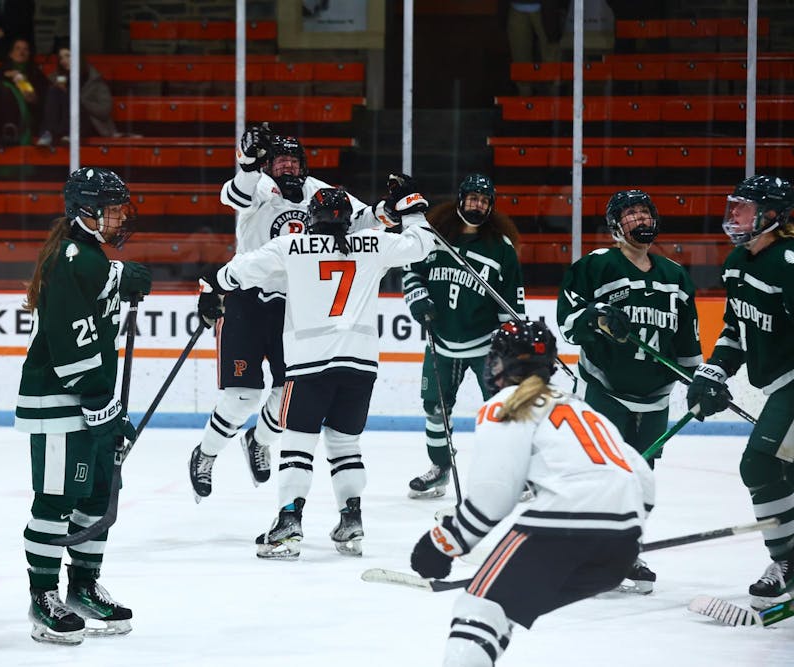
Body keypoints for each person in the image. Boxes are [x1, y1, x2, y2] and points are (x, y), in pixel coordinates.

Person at [198, 183, 437, 558]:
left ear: (313, 219)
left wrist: (212, 286)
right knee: (345, 444)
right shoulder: (373, 243)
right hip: (360, 364)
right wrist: (414, 209)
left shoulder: (293, 246)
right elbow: (422, 245)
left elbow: (242, 269)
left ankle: (289, 522)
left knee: (297, 442)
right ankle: (351, 519)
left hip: (309, 364)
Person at [409, 319, 655, 667]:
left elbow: (494, 495)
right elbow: (643, 483)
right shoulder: (582, 408)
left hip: (560, 529)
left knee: (480, 609)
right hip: (622, 544)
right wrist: (618, 533)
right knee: (502, 608)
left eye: (494, 357)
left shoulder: (508, 403)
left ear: (505, 363)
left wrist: (444, 542)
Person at [187, 123, 387, 503]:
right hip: (246, 300)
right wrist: (246, 162)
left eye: (294, 161)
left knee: (287, 393)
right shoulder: (259, 187)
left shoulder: (319, 193)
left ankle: (258, 441)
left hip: (296, 307)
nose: (288, 168)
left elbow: (361, 221)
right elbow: (234, 195)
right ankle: (206, 454)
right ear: (268, 165)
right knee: (242, 397)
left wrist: (387, 208)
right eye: (280, 162)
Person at [14, 167, 152, 645]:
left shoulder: (89, 255)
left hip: (93, 397)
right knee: (56, 500)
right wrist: (98, 399)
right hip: (59, 399)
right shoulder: (70, 257)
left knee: (97, 495)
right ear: (85, 209)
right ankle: (43, 596)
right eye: (112, 209)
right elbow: (70, 337)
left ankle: (83, 588)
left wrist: (110, 404)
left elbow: (104, 280)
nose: (119, 218)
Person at [555, 189, 701, 593]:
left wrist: (702, 382)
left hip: (656, 395)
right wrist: (599, 317)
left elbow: (687, 343)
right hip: (605, 387)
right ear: (616, 226)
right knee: (603, 472)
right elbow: (568, 323)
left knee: (640, 476)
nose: (640, 218)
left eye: (644, 212)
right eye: (631, 213)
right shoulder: (595, 266)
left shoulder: (675, 275)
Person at [686, 175, 794, 611]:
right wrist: (714, 371)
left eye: (743, 208)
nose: (734, 215)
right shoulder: (736, 262)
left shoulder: (788, 263)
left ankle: (785, 562)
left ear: (771, 215)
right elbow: (735, 328)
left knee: (758, 461)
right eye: (733, 207)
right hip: (778, 383)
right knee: (783, 472)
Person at [403, 173, 525, 500]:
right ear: (461, 199)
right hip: (441, 341)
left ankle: (512, 473)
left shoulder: (501, 249)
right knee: (434, 407)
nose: (477, 204)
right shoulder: (434, 236)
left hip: (486, 344)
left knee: (502, 410)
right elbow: (410, 269)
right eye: (473, 198)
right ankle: (440, 468)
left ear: (491, 206)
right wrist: (418, 298)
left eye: (484, 201)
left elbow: (512, 301)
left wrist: (513, 340)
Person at [37, 39, 118, 147]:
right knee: (54, 91)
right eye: (61, 58)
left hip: (87, 124)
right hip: (59, 125)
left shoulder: (93, 79)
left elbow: (104, 110)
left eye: (68, 55)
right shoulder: (55, 78)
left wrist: (79, 100)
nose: (64, 60)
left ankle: (65, 132)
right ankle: (49, 133)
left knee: (70, 95)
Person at [0, 37, 49, 145]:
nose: (21, 52)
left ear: (29, 53)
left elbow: (36, 101)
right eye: (18, 48)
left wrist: (23, 83)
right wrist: (7, 76)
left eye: (25, 49)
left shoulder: (35, 73)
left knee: (5, 89)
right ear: (11, 53)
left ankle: (10, 129)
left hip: (23, 116)